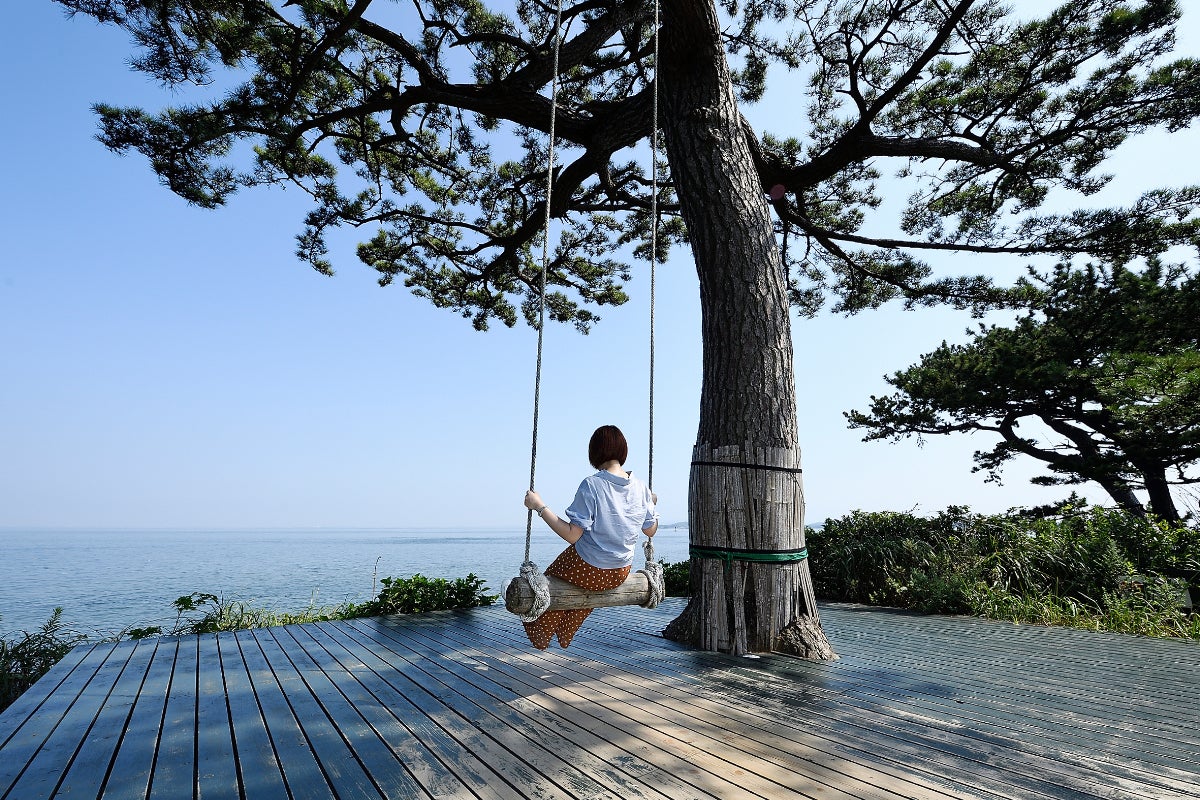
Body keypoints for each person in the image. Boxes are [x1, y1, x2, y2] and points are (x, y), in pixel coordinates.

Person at [521, 424, 659, 649]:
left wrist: (539, 506)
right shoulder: (642, 488)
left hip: (591, 569)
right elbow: (650, 530)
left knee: (552, 579)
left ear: (594, 453)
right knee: (588, 583)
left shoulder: (593, 485)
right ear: (623, 451)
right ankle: (566, 633)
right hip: (621, 571)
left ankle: (541, 635)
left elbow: (573, 535)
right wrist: (652, 504)